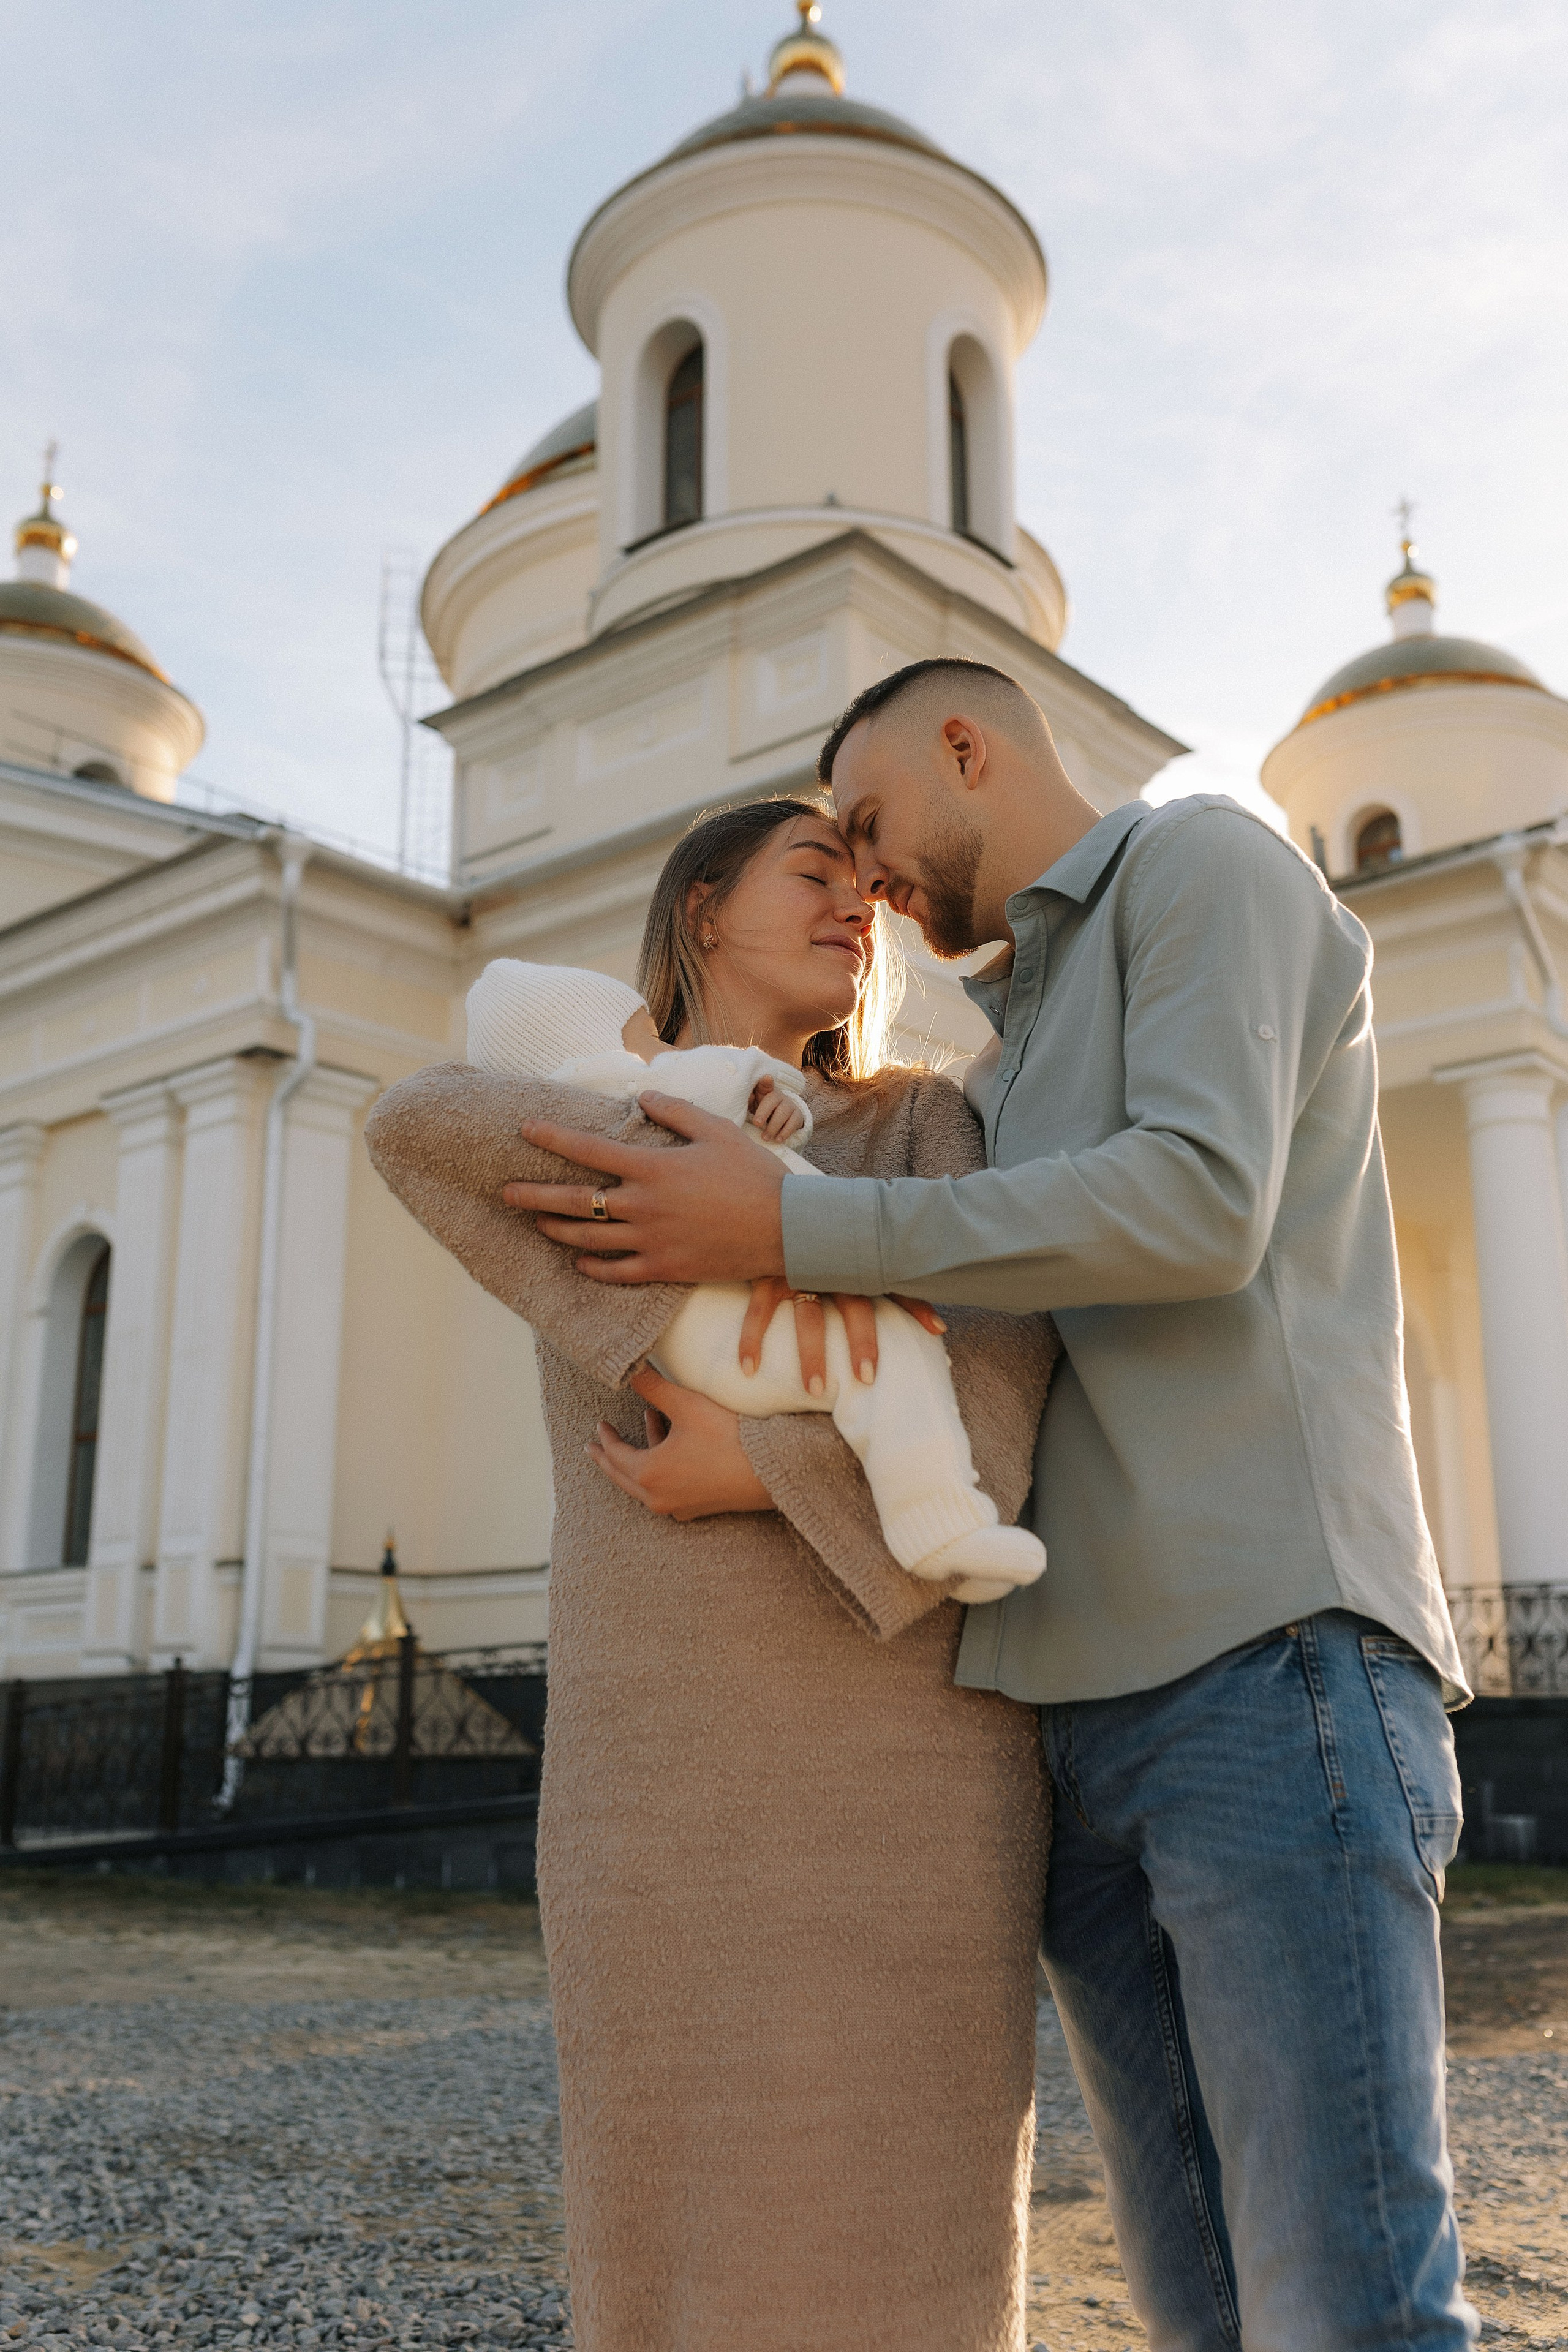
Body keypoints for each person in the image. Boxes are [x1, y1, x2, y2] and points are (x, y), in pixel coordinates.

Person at [505, 663, 1479, 2351]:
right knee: (1212, 2312)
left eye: (871, 829)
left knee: (1346, 2307)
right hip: (1069, 1725)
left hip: (1272, 1662)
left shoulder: (1204, 869)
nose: (869, 883)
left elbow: (1194, 1208)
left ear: (969, 748)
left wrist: (787, 1237)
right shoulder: (999, 1054)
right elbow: (981, 1377)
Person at [364, 799, 1058, 2352]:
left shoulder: (920, 1130)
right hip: (655, 1749)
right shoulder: (575, 1115)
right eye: (815, 877)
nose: (857, 911)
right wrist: (663, 1184)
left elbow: (994, 1432)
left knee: (910, 2210)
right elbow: (410, 1125)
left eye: (869, 893)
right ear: (697, 908)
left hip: (903, 1753)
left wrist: (756, 1461)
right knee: (670, 2201)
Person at [462, 954, 1047, 1602]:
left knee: (886, 1360)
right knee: (896, 1353)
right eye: (642, 1035)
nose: (656, 1048)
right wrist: (772, 1091)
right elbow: (709, 1078)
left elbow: (1000, 1354)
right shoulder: (615, 1087)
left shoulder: (618, 1111)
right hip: (729, 1330)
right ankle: (938, 1526)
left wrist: (764, 1467)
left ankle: (939, 1524)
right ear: (704, 905)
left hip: (720, 1339)